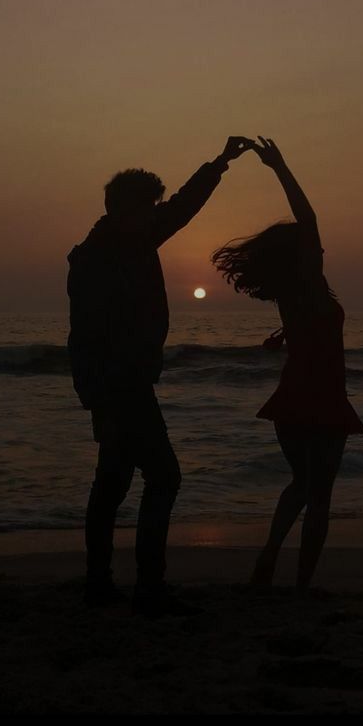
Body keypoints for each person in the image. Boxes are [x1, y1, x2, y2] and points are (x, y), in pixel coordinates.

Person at [68, 137, 254, 617]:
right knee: (163, 477)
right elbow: (84, 338)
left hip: (128, 383)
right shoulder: (96, 261)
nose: (155, 215)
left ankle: (101, 584)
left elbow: (182, 208)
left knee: (113, 482)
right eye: (147, 208)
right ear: (124, 211)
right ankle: (145, 587)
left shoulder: (134, 240)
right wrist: (97, 401)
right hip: (119, 388)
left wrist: (219, 163)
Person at [212, 137, 363, 595]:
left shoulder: (287, 294)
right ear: (303, 255)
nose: (317, 249)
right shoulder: (309, 285)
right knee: (319, 496)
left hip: (292, 400)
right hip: (322, 400)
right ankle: (302, 583)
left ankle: (269, 556)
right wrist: (279, 167)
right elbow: (309, 219)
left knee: (301, 485)